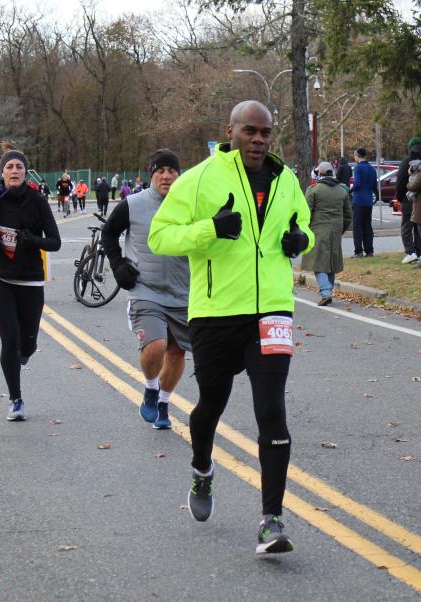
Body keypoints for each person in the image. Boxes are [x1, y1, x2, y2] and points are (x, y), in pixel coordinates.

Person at [148, 100, 313, 554]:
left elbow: (303, 225)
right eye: (250, 131)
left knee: (272, 410)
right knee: (210, 406)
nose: (258, 140)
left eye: (265, 132)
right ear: (230, 131)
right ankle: (202, 468)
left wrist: (301, 240)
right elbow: (160, 235)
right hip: (216, 313)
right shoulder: (199, 179)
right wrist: (209, 229)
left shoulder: (285, 180)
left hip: (273, 310)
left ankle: (271, 520)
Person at [0, 145, 61, 421]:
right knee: (9, 339)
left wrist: (32, 240)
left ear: (25, 172)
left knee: (28, 344)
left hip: (30, 279)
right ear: (2, 172)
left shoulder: (37, 201)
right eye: (9, 166)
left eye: (19, 167)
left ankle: (25, 352)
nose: (14, 171)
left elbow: (55, 242)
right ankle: (16, 400)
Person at [102, 149, 188, 430]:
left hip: (184, 291)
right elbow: (109, 233)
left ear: (179, 175)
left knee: (176, 353)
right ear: (151, 174)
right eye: (160, 171)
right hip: (145, 289)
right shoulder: (133, 204)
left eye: (171, 171)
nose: (166, 176)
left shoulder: (192, 204)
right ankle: (151, 388)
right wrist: (118, 266)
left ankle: (163, 401)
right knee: (156, 346)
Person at [303, 161, 352, 305]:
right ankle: (328, 291)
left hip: (318, 230)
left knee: (318, 263)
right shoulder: (342, 191)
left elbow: (306, 213)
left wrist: (305, 229)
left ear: (319, 173)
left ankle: (326, 292)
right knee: (331, 263)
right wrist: (341, 229)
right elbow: (348, 215)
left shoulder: (313, 190)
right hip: (336, 230)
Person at [396, 137, 421, 264]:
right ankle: (419, 252)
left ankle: (410, 252)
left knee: (406, 227)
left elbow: (401, 180)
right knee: (419, 227)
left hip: (408, 198)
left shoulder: (406, 161)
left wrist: (399, 196)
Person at [350, 147, 376, 258]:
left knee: (357, 226)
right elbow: (374, 185)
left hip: (359, 200)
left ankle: (358, 251)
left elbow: (357, 184)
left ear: (357, 156)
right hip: (368, 200)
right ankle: (369, 251)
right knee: (367, 226)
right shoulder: (372, 168)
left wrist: (349, 190)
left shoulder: (358, 168)